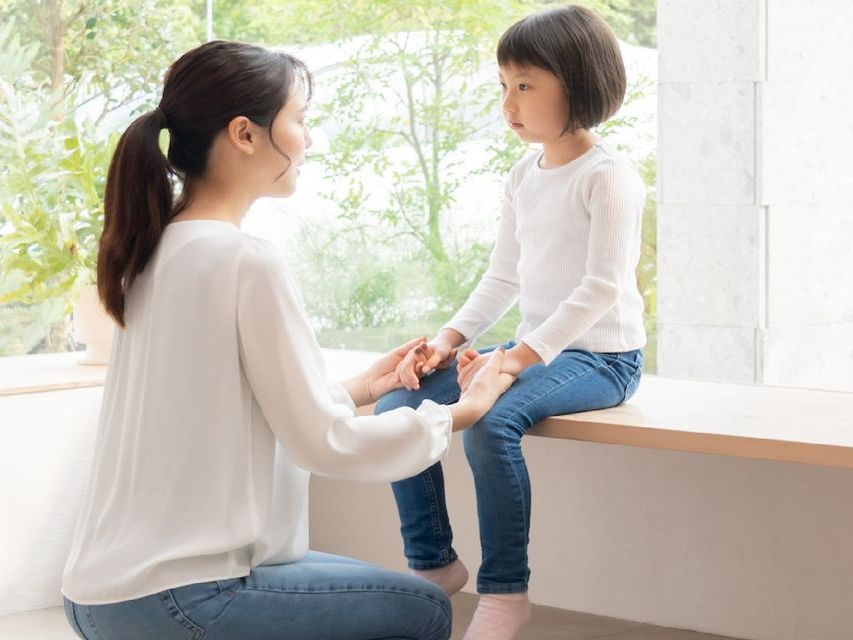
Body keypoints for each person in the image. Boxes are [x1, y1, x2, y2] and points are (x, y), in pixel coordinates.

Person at [60, 40, 514, 640]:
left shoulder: (151, 251)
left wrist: (358, 388)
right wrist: (463, 410)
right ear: (245, 134)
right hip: (181, 600)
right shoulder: (246, 260)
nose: (308, 139)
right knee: (424, 609)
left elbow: (233, 406)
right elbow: (323, 445)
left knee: (380, 587)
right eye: (299, 119)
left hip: (97, 595)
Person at [376, 6, 647, 639]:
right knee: (397, 401)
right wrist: (447, 342)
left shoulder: (608, 177)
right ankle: (434, 562)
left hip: (602, 358)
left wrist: (516, 361)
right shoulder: (524, 174)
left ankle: (505, 593)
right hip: (535, 349)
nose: (509, 102)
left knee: (491, 420)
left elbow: (601, 288)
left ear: (577, 83)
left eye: (525, 85)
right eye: (503, 85)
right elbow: (503, 276)